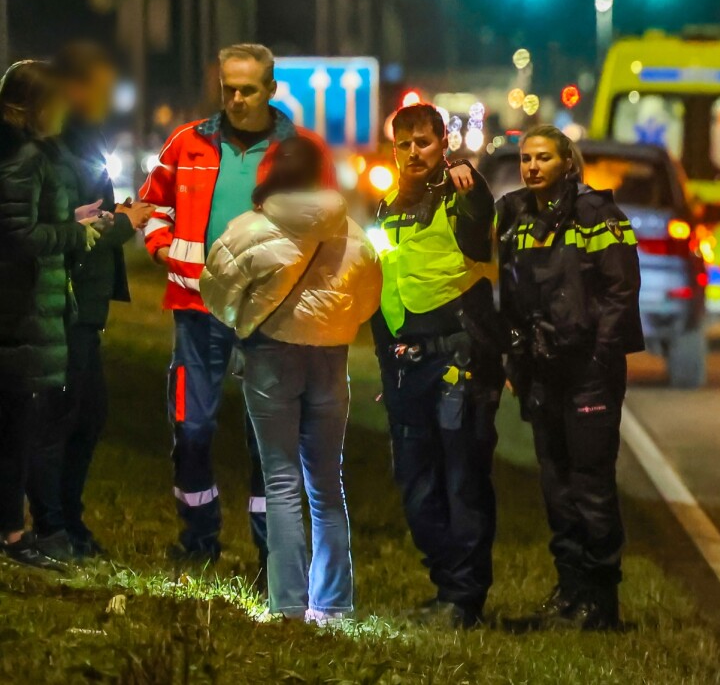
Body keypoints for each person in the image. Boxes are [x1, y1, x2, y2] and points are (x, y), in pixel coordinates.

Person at [139, 43, 333, 568]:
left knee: (268, 438)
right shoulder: (186, 143)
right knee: (191, 427)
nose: (238, 99)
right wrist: (162, 249)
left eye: (249, 89)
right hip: (197, 309)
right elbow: (152, 206)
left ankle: (273, 552)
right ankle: (198, 540)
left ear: (271, 90)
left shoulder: (300, 152)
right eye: (229, 89)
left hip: (270, 316)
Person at [201, 136, 381, 623]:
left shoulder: (249, 229)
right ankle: (336, 604)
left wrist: (245, 319)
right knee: (326, 483)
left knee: (280, 481)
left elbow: (215, 290)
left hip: (270, 359)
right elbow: (367, 303)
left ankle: (287, 606)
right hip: (330, 360)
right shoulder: (352, 234)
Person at [497, 125, 640, 630]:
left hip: (587, 372)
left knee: (591, 485)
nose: (532, 167)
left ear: (567, 164)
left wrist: (600, 357)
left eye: (543, 158)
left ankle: (601, 603)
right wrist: (516, 356)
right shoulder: (514, 217)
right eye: (525, 159)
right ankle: (570, 591)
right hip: (542, 371)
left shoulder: (598, 215)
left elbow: (621, 291)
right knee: (556, 486)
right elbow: (509, 292)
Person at [371, 103, 505, 628]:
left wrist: (470, 188)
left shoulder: (461, 194)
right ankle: (447, 586)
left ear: (442, 142)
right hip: (406, 366)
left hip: (458, 361)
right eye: (404, 145)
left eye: (423, 142)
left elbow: (478, 229)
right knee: (415, 484)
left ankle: (463, 599)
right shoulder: (388, 205)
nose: (413, 153)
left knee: (462, 482)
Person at [27, 43, 153, 563]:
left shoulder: (81, 139)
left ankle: (66, 521)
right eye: (100, 87)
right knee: (63, 416)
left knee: (86, 413)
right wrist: (126, 221)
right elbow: (69, 227)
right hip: (66, 303)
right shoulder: (55, 145)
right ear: (76, 88)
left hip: (85, 303)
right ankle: (53, 525)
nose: (107, 97)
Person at [0, 60, 104, 570]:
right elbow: (18, 234)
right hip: (22, 313)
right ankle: (20, 535)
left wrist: (76, 220)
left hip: (35, 308)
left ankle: (17, 532)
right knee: (19, 426)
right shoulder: (24, 157)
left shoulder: (36, 155)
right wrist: (72, 233)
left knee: (20, 424)